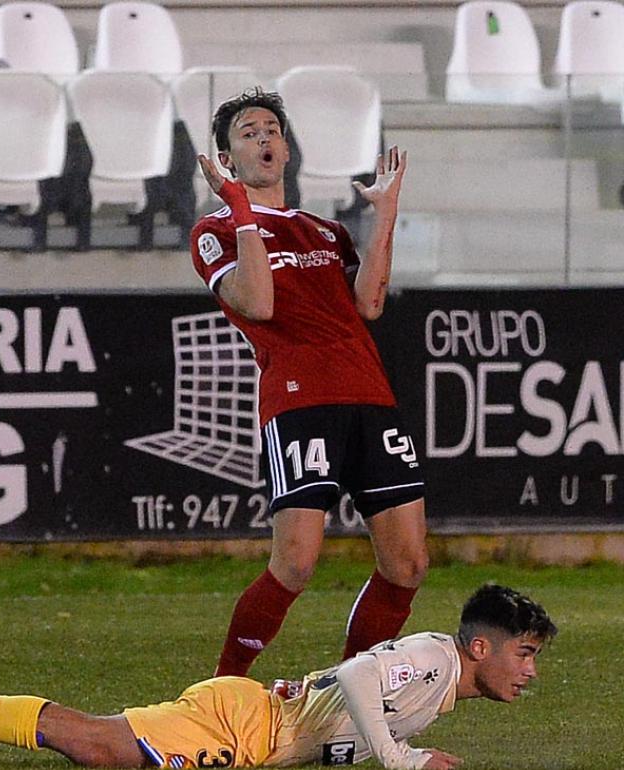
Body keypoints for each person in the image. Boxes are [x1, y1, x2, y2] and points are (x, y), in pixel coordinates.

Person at [187, 88, 425, 678]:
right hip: (301, 401)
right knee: (294, 563)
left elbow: (369, 303)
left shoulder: (324, 230)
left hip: (369, 394)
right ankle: (220, 692)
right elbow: (260, 303)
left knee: (408, 565)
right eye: (248, 132)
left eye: (272, 129)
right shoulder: (214, 232)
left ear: (287, 149)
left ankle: (346, 696)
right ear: (227, 159)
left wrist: (385, 214)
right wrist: (241, 208)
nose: (264, 138)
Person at [0, 584, 557, 770]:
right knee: (99, 747)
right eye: (523, 653)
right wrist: (398, 759)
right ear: (477, 647)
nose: (528, 671)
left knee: (104, 748)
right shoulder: (436, 658)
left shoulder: (443, 686)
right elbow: (355, 673)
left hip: (258, 731)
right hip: (242, 722)